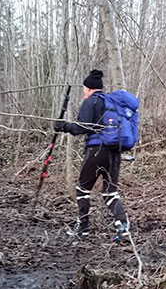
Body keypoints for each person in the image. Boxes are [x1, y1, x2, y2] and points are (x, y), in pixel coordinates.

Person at [54, 69, 130, 242]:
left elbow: (82, 127)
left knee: (82, 188)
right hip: (115, 152)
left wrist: (63, 126)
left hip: (96, 151)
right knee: (110, 192)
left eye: (84, 89)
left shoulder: (91, 102)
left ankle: (83, 229)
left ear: (88, 88)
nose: (83, 92)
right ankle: (123, 227)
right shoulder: (112, 102)